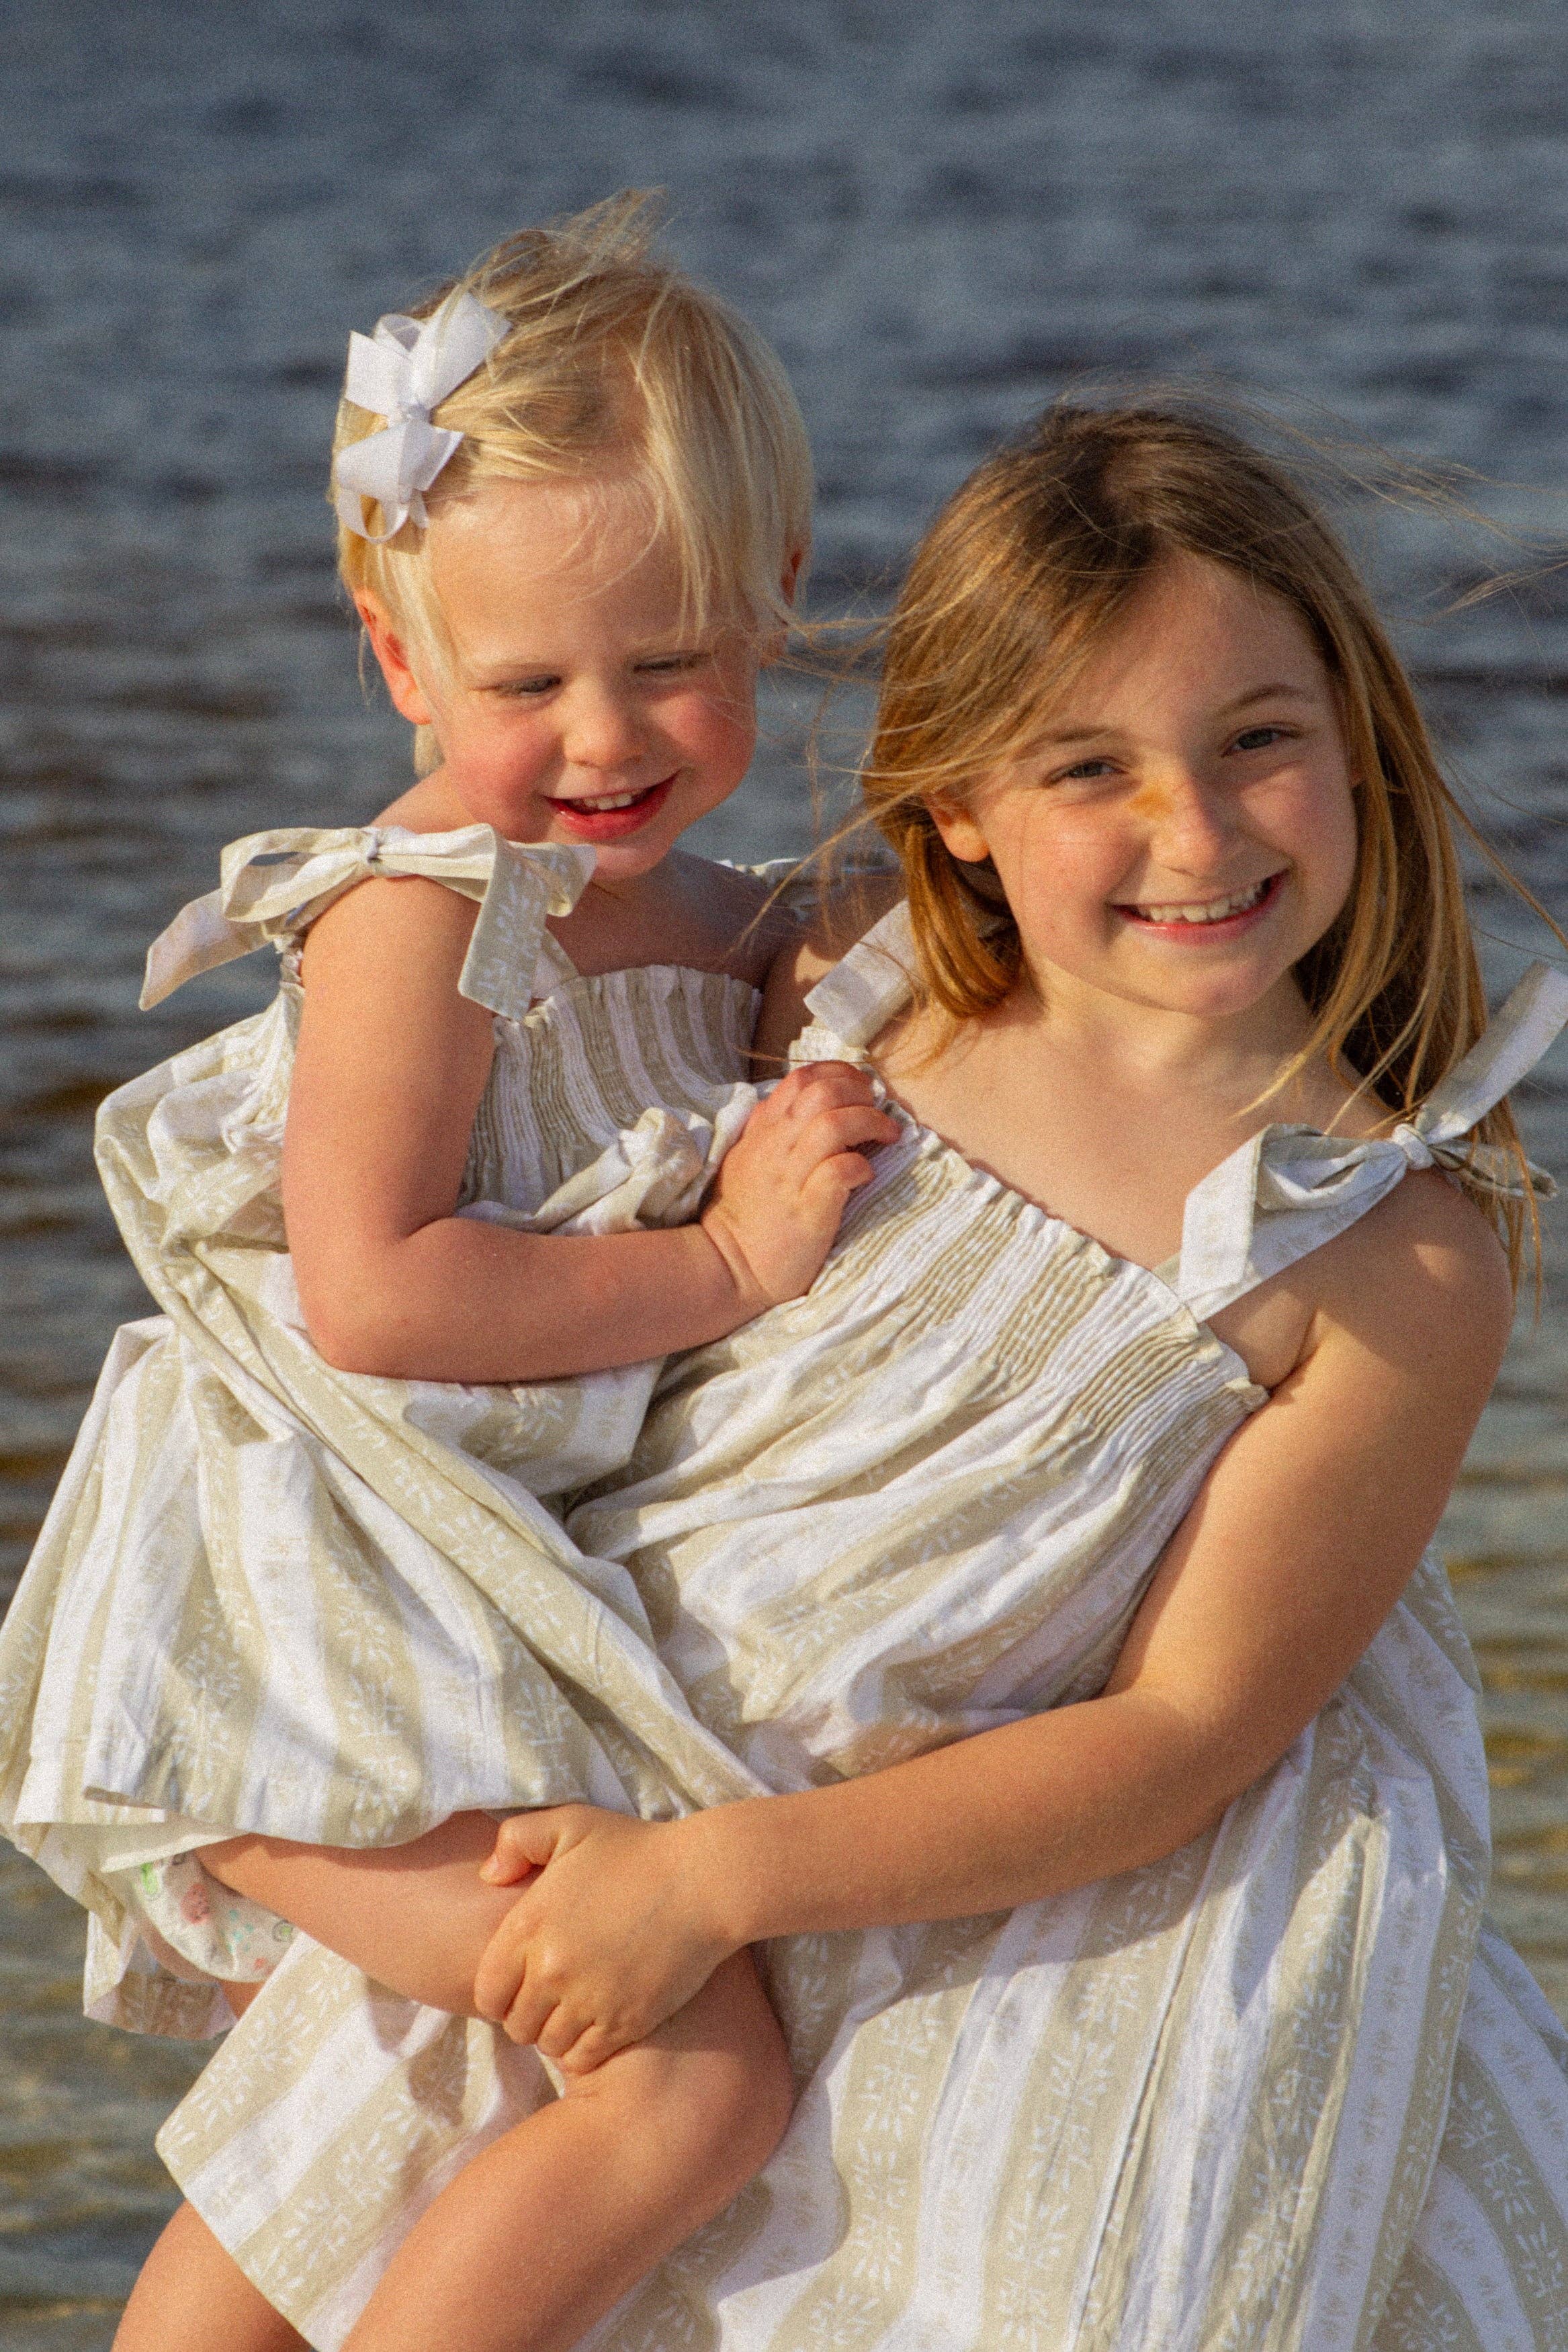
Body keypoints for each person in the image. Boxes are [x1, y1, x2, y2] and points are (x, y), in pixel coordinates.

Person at [139, 401, 1568, 2352]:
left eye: (1259, 740)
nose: (1198, 832)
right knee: (256, 2265)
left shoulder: (1387, 1247)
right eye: (1092, 766)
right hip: (598, 1750)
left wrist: (716, 1883)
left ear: (1356, 736)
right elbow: (528, 1196)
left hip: (916, 1888)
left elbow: (1189, 1730)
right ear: (960, 800)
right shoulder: (860, 995)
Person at [0, 193, 901, 2351]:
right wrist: (731, 1256)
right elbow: (379, 1295)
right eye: (525, 684)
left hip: (470, 1616)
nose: (605, 738)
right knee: (687, 2079)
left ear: (776, 601)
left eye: (669, 663)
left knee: (387, 2098)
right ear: (399, 661)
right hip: (314, 1639)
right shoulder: (432, 913)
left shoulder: (724, 919)